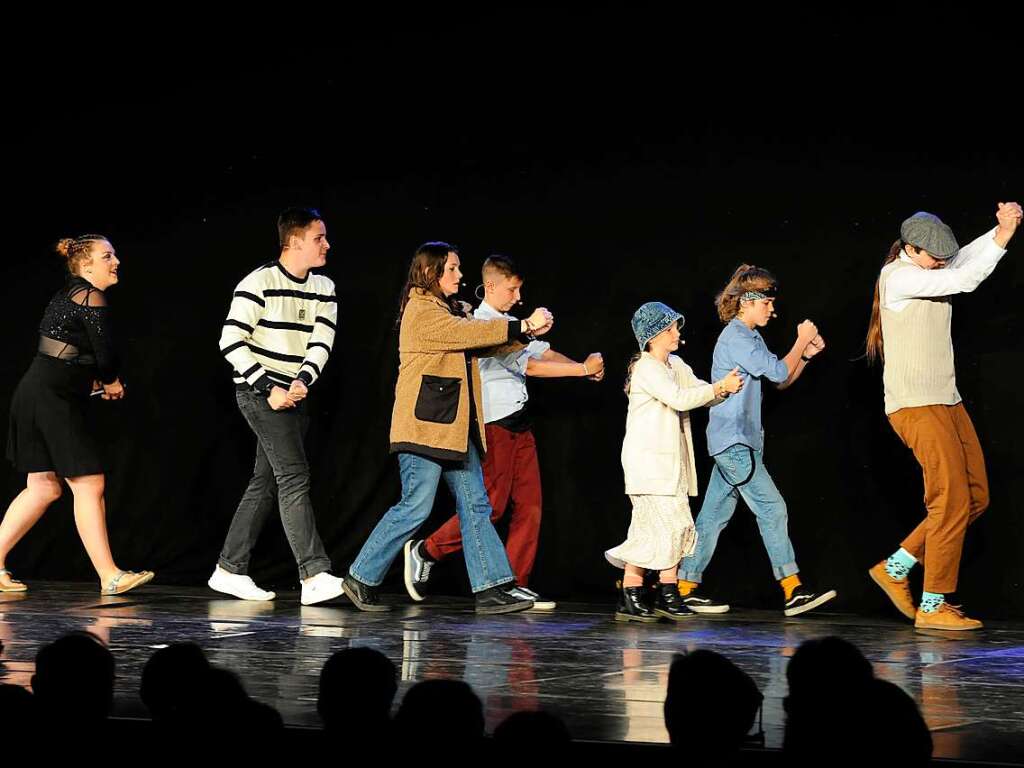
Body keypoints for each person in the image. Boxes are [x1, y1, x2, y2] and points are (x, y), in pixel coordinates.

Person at [344, 242, 553, 614]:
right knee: (415, 507)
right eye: (453, 269)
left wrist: (526, 335)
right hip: (424, 428)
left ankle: (492, 586)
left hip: (455, 428)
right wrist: (522, 324)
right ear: (431, 273)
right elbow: (465, 335)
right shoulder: (422, 311)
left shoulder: (449, 311)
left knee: (476, 504)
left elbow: (482, 344)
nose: (460, 276)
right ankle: (361, 576)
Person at [404, 254, 604, 611]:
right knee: (491, 506)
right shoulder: (480, 324)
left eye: (519, 290)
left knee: (531, 506)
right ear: (492, 286)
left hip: (519, 424)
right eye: (511, 289)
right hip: (493, 424)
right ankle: (426, 549)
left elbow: (543, 351)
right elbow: (529, 365)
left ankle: (515, 584)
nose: (517, 296)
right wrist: (579, 371)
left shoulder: (513, 322)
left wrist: (581, 368)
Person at [866, 203, 1021, 630]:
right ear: (911, 250)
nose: (941, 263)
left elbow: (965, 258)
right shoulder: (898, 277)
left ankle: (894, 568)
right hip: (915, 404)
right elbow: (965, 277)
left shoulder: (927, 267)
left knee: (975, 495)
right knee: (949, 500)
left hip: (946, 399)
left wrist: (1000, 228)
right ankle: (933, 604)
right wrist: (1004, 237)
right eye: (934, 257)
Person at [677, 265, 835, 616]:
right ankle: (793, 589)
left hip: (737, 444)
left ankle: (684, 585)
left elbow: (779, 380)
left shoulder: (749, 337)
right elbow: (779, 370)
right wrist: (800, 340)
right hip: (734, 445)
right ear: (747, 302)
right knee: (772, 508)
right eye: (767, 303)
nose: (772, 310)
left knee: (712, 517)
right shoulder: (736, 337)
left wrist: (805, 356)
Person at [2, 234, 152, 595]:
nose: (115, 262)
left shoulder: (68, 294)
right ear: (86, 264)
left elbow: (69, 357)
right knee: (88, 483)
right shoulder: (88, 294)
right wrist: (111, 381)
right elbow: (104, 353)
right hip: (49, 398)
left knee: (42, 488)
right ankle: (110, 575)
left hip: (35, 393)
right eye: (107, 256)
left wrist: (94, 383)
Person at [211, 207, 343, 606]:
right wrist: (269, 386)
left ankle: (229, 569)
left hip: (294, 393)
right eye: (319, 238)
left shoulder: (324, 287)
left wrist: (302, 380)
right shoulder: (259, 282)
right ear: (295, 241)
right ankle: (314, 572)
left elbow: (322, 340)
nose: (326, 244)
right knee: (293, 477)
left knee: (266, 481)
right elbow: (230, 340)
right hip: (259, 393)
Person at [607, 302, 742, 622]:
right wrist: (719, 387)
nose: (676, 333)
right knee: (657, 528)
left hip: (671, 464)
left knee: (672, 528)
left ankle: (658, 592)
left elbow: (698, 391)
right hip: (648, 464)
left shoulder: (674, 364)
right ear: (652, 336)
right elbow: (679, 398)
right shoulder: (646, 368)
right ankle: (637, 590)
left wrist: (721, 390)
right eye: (670, 329)